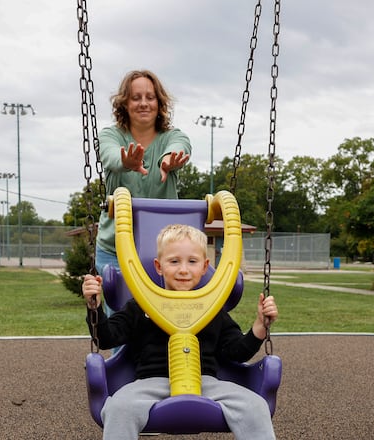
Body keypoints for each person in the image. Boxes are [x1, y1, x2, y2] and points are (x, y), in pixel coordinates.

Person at [83, 224, 278, 440]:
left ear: (204, 267)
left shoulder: (212, 308)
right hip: (150, 382)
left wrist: (260, 327)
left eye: (192, 262)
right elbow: (107, 338)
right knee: (118, 408)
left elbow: (236, 352)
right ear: (159, 266)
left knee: (256, 406)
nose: (183, 269)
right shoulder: (141, 306)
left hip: (206, 383)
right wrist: (95, 308)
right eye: (174, 261)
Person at [95, 69, 192, 281]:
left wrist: (167, 161)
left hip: (162, 251)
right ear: (125, 104)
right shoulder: (110, 135)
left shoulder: (172, 136)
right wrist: (125, 162)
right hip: (115, 249)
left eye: (150, 97)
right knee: (120, 311)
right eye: (136, 98)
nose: (143, 103)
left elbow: (180, 146)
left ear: (159, 103)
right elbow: (110, 155)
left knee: (160, 312)